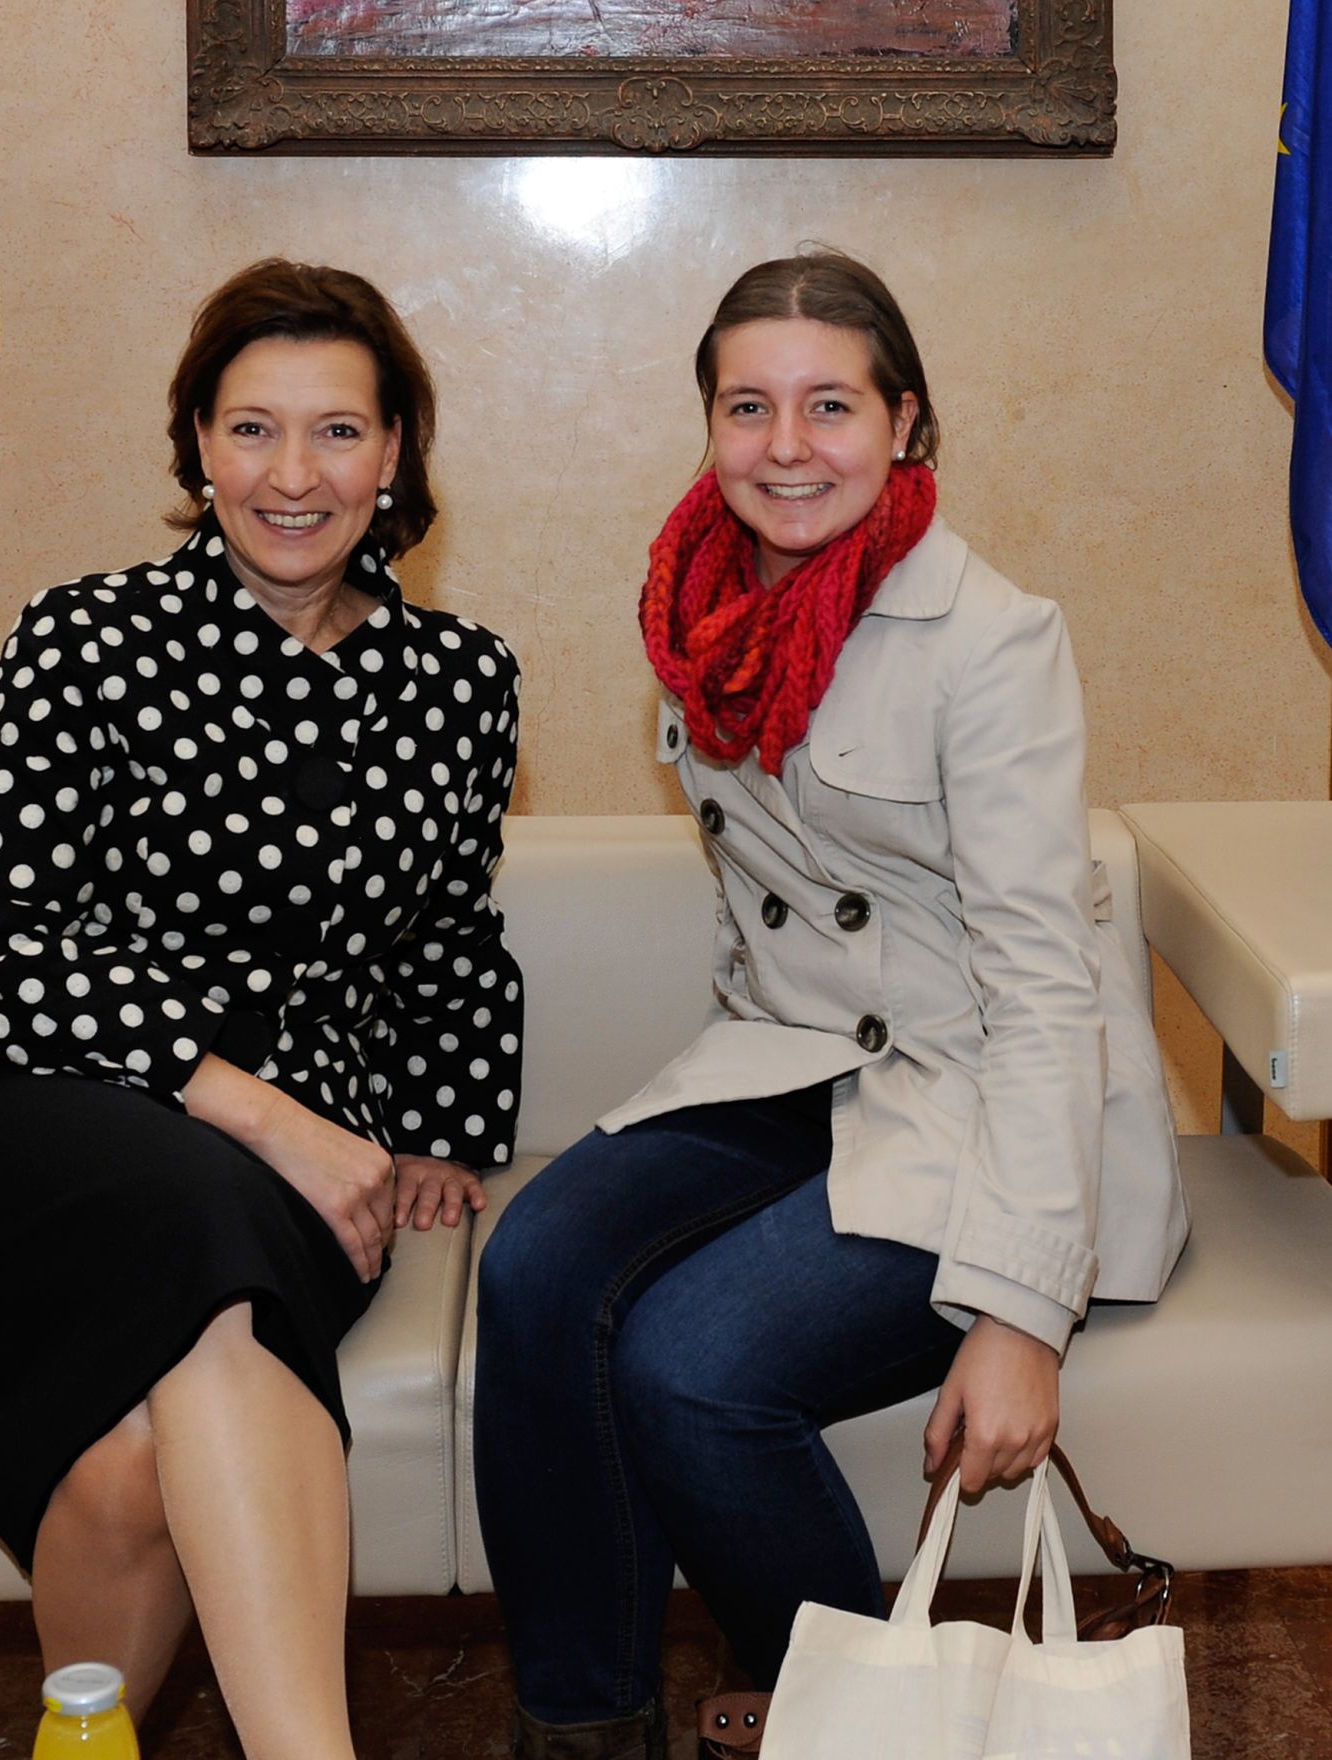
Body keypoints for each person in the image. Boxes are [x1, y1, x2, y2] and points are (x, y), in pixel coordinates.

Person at [471, 249, 1188, 1760]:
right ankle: (585, 1725)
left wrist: (1022, 1308)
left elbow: (1043, 987)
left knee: (692, 1367)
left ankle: (860, 1731)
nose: (785, 446)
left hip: (974, 1090)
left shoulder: (990, 638)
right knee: (533, 1264)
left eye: (829, 405)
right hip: (793, 1060)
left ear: (903, 421)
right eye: (748, 407)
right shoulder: (695, 611)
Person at [0, 259, 524, 1760]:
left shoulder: (462, 680)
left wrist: (439, 1128)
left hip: (300, 1151)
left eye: (337, 431)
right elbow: (0, 937)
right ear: (197, 449)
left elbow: (447, 929)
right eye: (250, 429)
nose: (293, 476)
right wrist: (270, 1119)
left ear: (396, 453)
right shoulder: (82, 636)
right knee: (207, 1217)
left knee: (126, 1460)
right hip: (22, 1101)